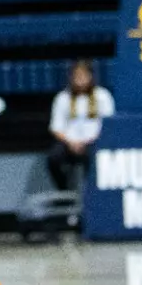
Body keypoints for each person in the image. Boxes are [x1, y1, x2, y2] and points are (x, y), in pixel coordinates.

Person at [47, 60, 114, 191]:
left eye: (84, 76)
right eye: (77, 76)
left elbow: (108, 124)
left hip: (94, 142)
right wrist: (71, 143)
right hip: (69, 143)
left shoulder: (102, 96)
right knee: (54, 158)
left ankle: (92, 192)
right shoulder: (62, 98)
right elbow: (56, 127)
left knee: (95, 158)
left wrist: (89, 141)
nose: (80, 80)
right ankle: (64, 190)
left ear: (91, 77)